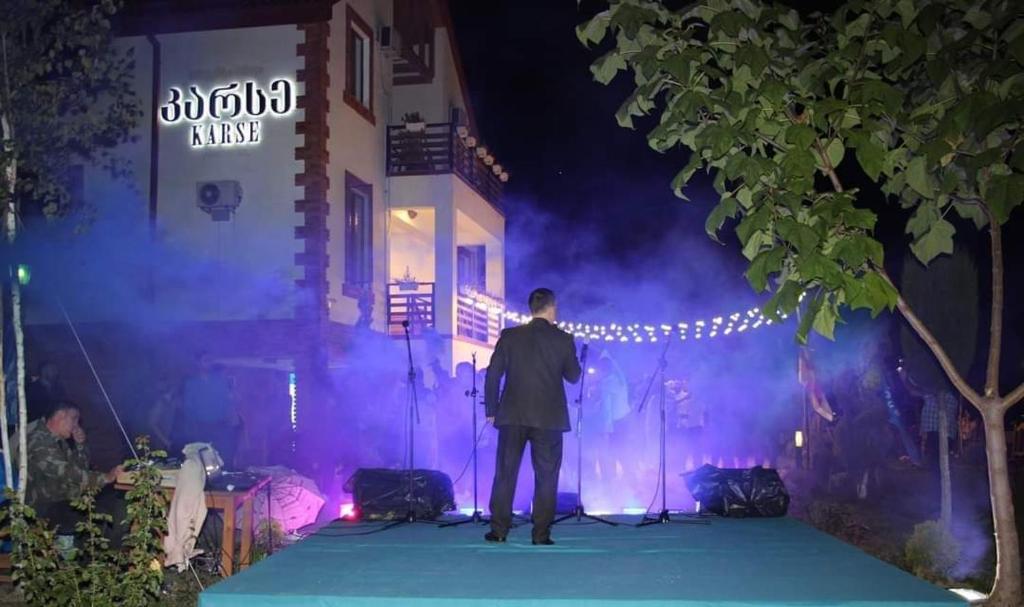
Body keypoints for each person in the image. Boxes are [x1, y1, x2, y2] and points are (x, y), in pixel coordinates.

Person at [484, 288, 582, 545]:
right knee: (547, 476)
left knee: (505, 473)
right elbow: (573, 376)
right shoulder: (563, 339)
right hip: (549, 418)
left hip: (512, 414)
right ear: (552, 308)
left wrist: (491, 410)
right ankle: (541, 534)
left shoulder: (510, 336)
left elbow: (493, 373)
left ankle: (499, 530)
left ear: (531, 308)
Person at [20, 401, 126, 544]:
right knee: (99, 520)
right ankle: (83, 561)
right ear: (60, 416)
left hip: (62, 501)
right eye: (74, 419)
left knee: (113, 509)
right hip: (42, 507)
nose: (76, 425)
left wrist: (80, 445)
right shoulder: (37, 441)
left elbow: (80, 469)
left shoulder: (58, 441)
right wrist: (106, 477)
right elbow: (66, 473)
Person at [181, 352, 240, 467]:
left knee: (225, 456)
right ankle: (206, 481)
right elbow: (188, 406)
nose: (208, 363)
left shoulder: (220, 380)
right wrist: (192, 427)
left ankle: (226, 479)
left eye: (210, 360)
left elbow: (227, 400)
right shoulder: (191, 383)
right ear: (197, 363)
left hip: (221, 425)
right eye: (205, 361)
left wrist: (230, 418)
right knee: (204, 458)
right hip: (201, 426)